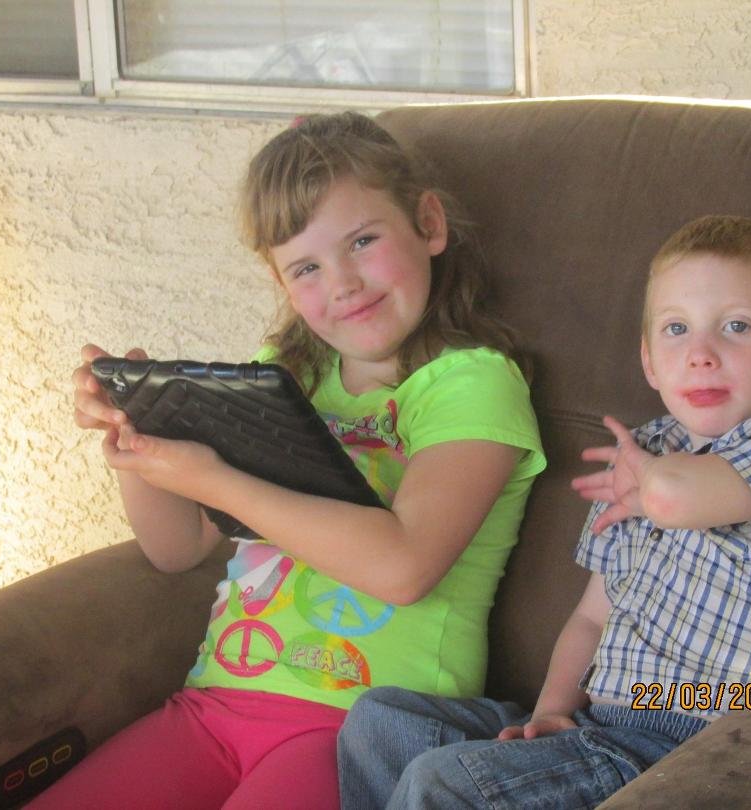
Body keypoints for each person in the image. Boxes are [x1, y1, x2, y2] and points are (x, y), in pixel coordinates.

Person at [33, 112, 545, 810]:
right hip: (214, 705)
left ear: (428, 224)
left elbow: (403, 568)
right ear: (279, 281)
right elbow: (177, 547)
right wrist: (139, 435)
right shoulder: (284, 373)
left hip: (362, 732)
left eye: (362, 241)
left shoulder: (472, 382)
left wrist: (215, 479)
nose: (344, 283)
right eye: (306, 267)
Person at [336, 214, 751, 809]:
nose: (700, 354)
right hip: (597, 729)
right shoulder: (643, 454)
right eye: (676, 329)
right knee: (379, 721)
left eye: (736, 326)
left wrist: (643, 481)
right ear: (649, 362)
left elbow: (677, 497)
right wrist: (550, 713)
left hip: (689, 743)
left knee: (446, 782)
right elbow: (592, 617)